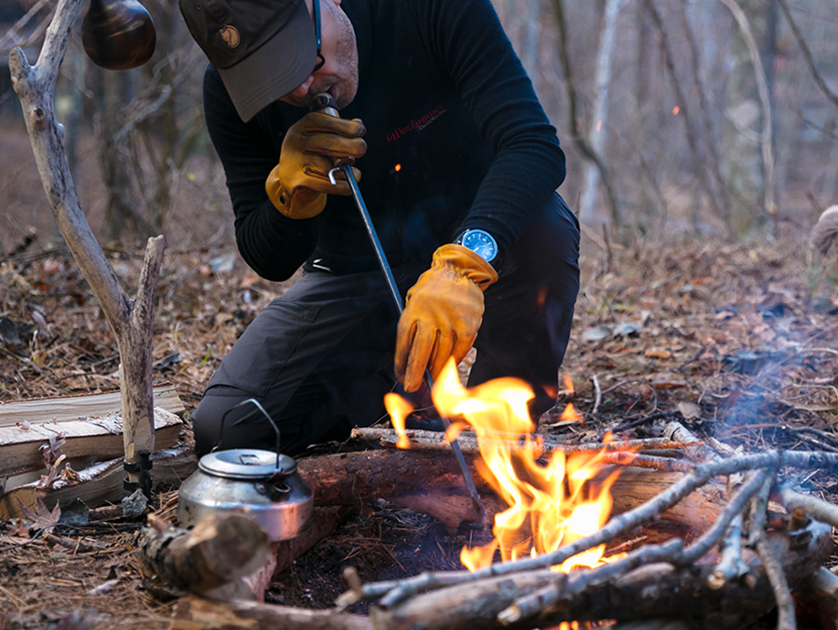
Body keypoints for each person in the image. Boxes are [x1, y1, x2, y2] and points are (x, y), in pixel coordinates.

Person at [180, 0, 580, 457]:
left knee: (544, 229)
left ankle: (500, 437)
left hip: (476, 239)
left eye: (303, 59)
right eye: (272, 78)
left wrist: (465, 262)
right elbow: (269, 258)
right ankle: (398, 403)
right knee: (228, 429)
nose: (302, 86)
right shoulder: (230, 95)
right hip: (354, 277)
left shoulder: (426, 10)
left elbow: (532, 144)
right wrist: (288, 199)